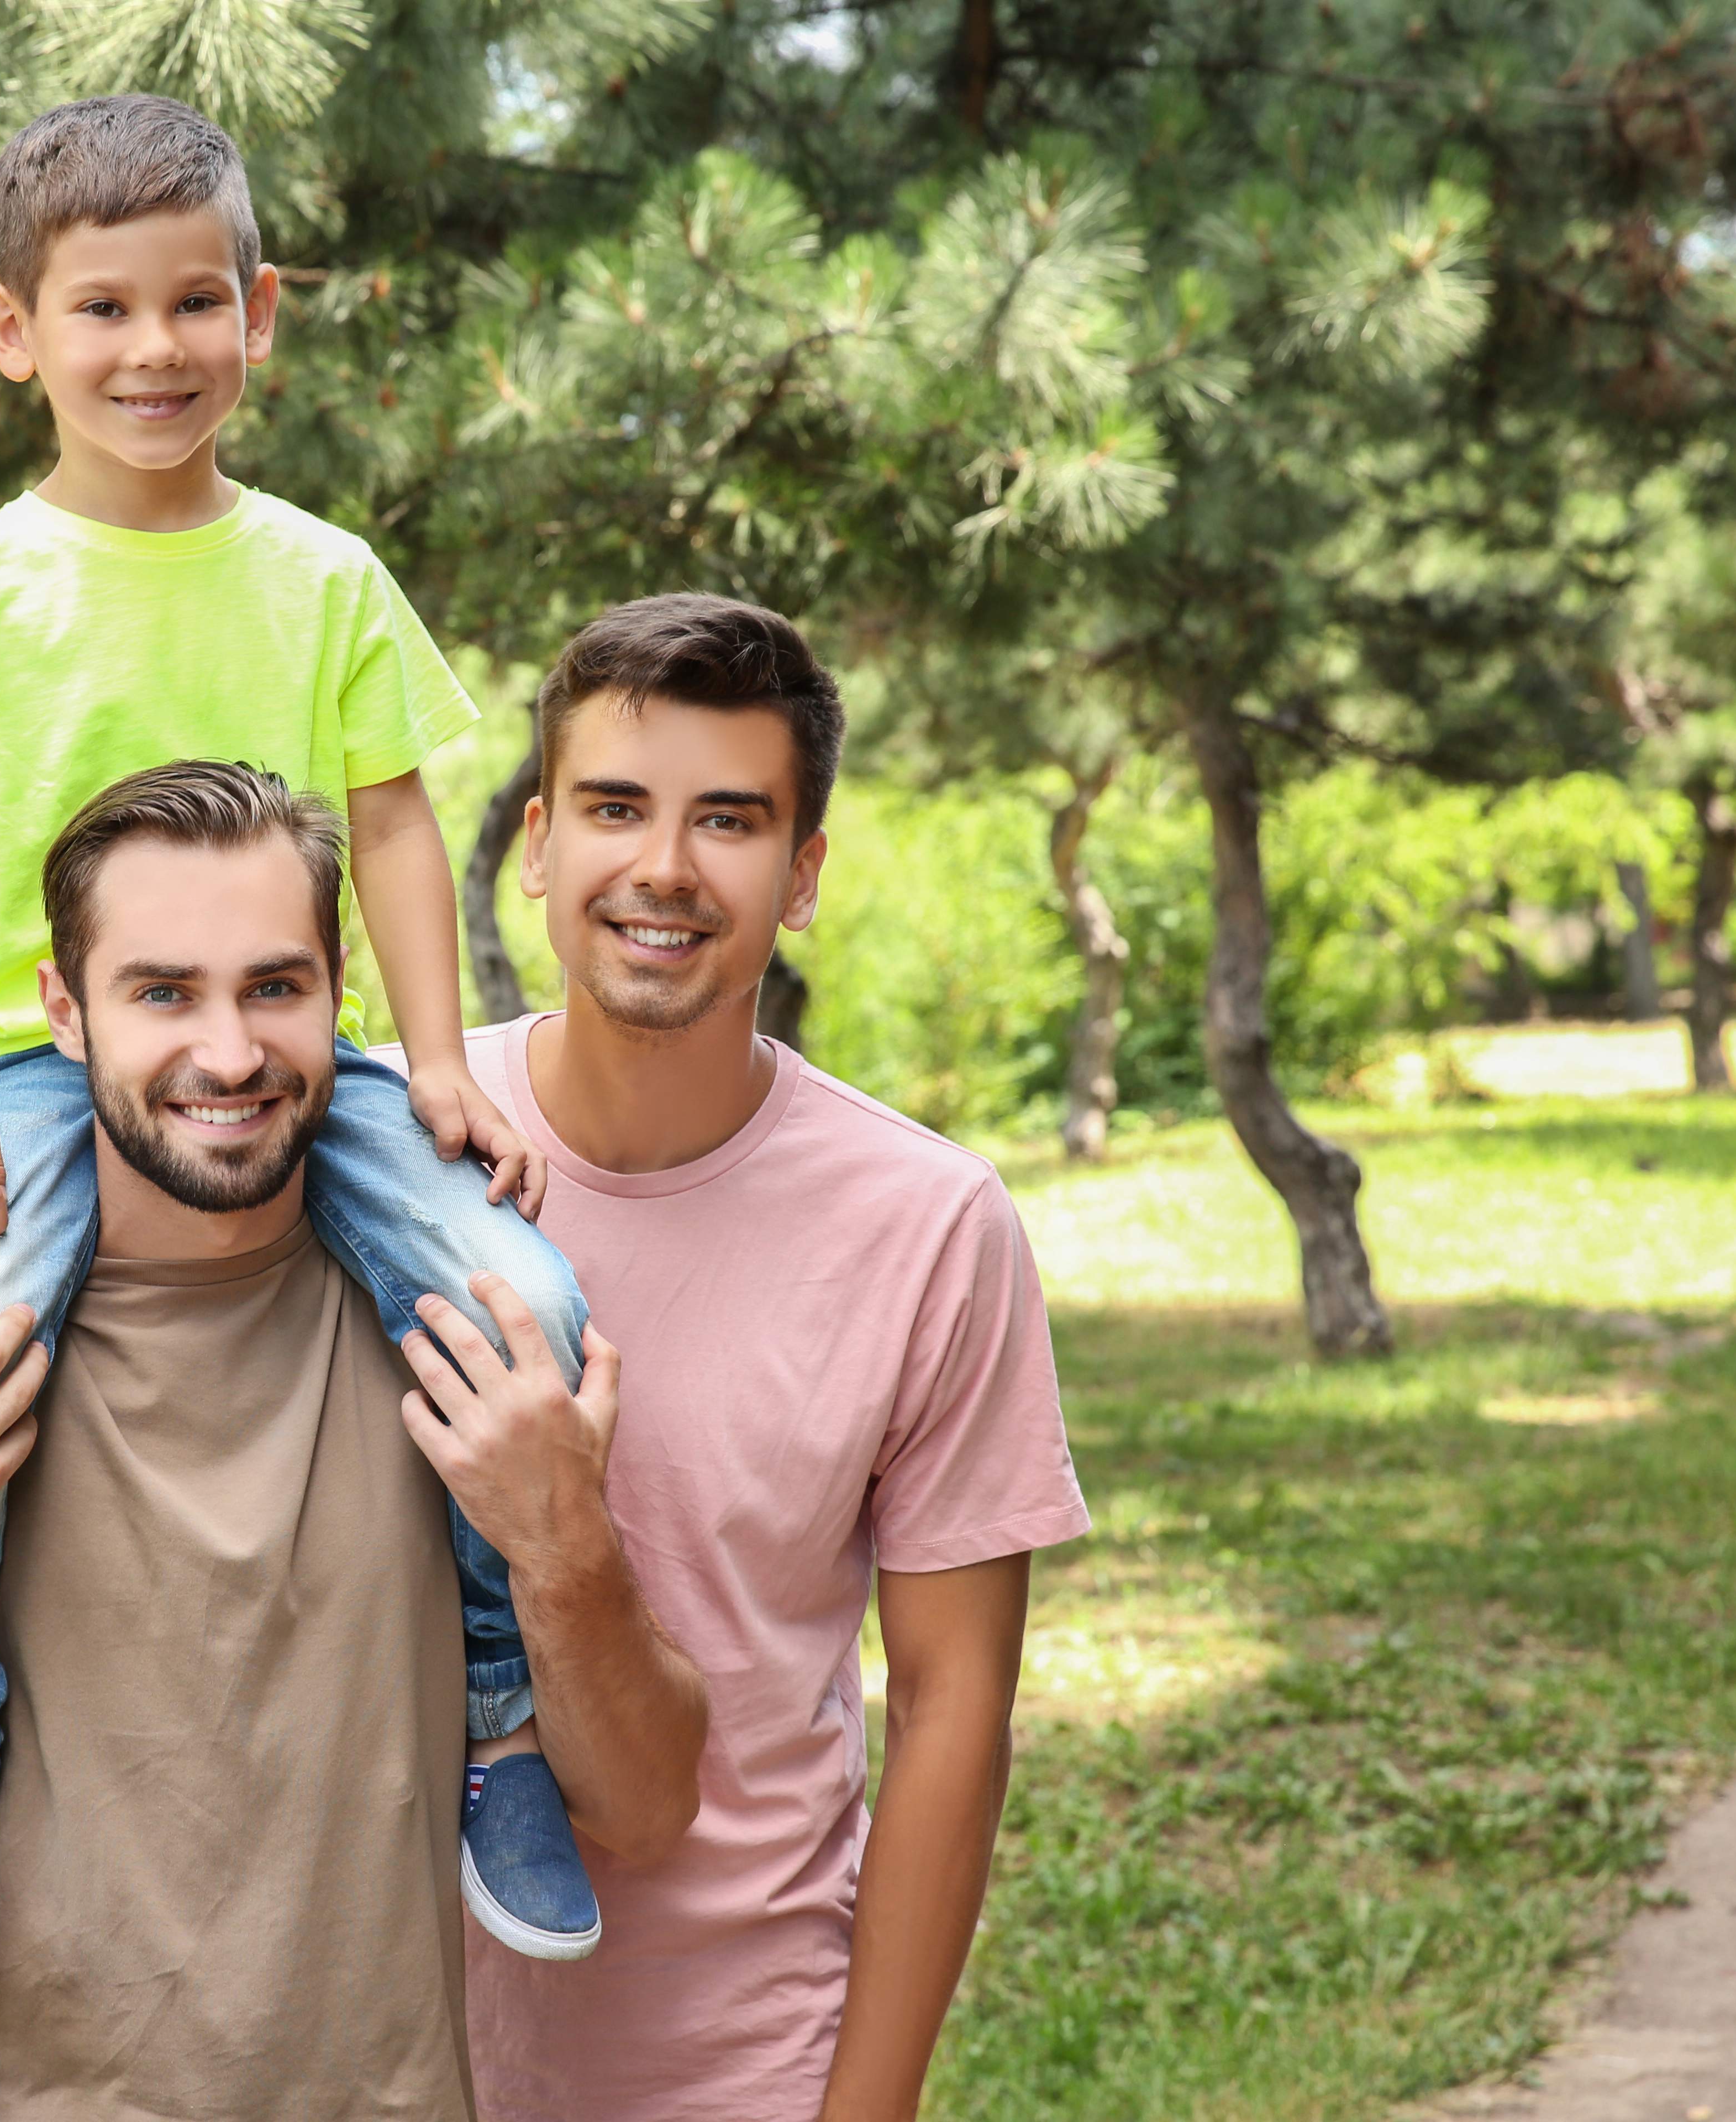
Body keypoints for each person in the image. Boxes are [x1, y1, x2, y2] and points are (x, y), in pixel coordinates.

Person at [0, 94, 601, 2032]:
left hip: (302, 1059)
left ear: (259, 312)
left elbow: (402, 827)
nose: (151, 351)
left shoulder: (325, 574)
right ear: (17, 334)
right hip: (38, 1061)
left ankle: (503, 1723)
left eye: (192, 304)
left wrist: (432, 1058)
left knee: (531, 1296)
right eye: (100, 310)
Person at [0, 764, 707, 2119]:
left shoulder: (461, 1340)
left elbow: (643, 1811)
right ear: (62, 1013)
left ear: (341, 995)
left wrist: (563, 1540)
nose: (228, 1054)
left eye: (275, 988)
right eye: (161, 993)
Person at [439, 596, 1093, 2121]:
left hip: (739, 2066)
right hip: (381, 2052)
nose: (662, 869)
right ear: (539, 843)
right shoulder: (394, 1139)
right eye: (615, 808)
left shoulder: (930, 1226)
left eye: (728, 821)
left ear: (800, 876)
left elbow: (952, 1711)